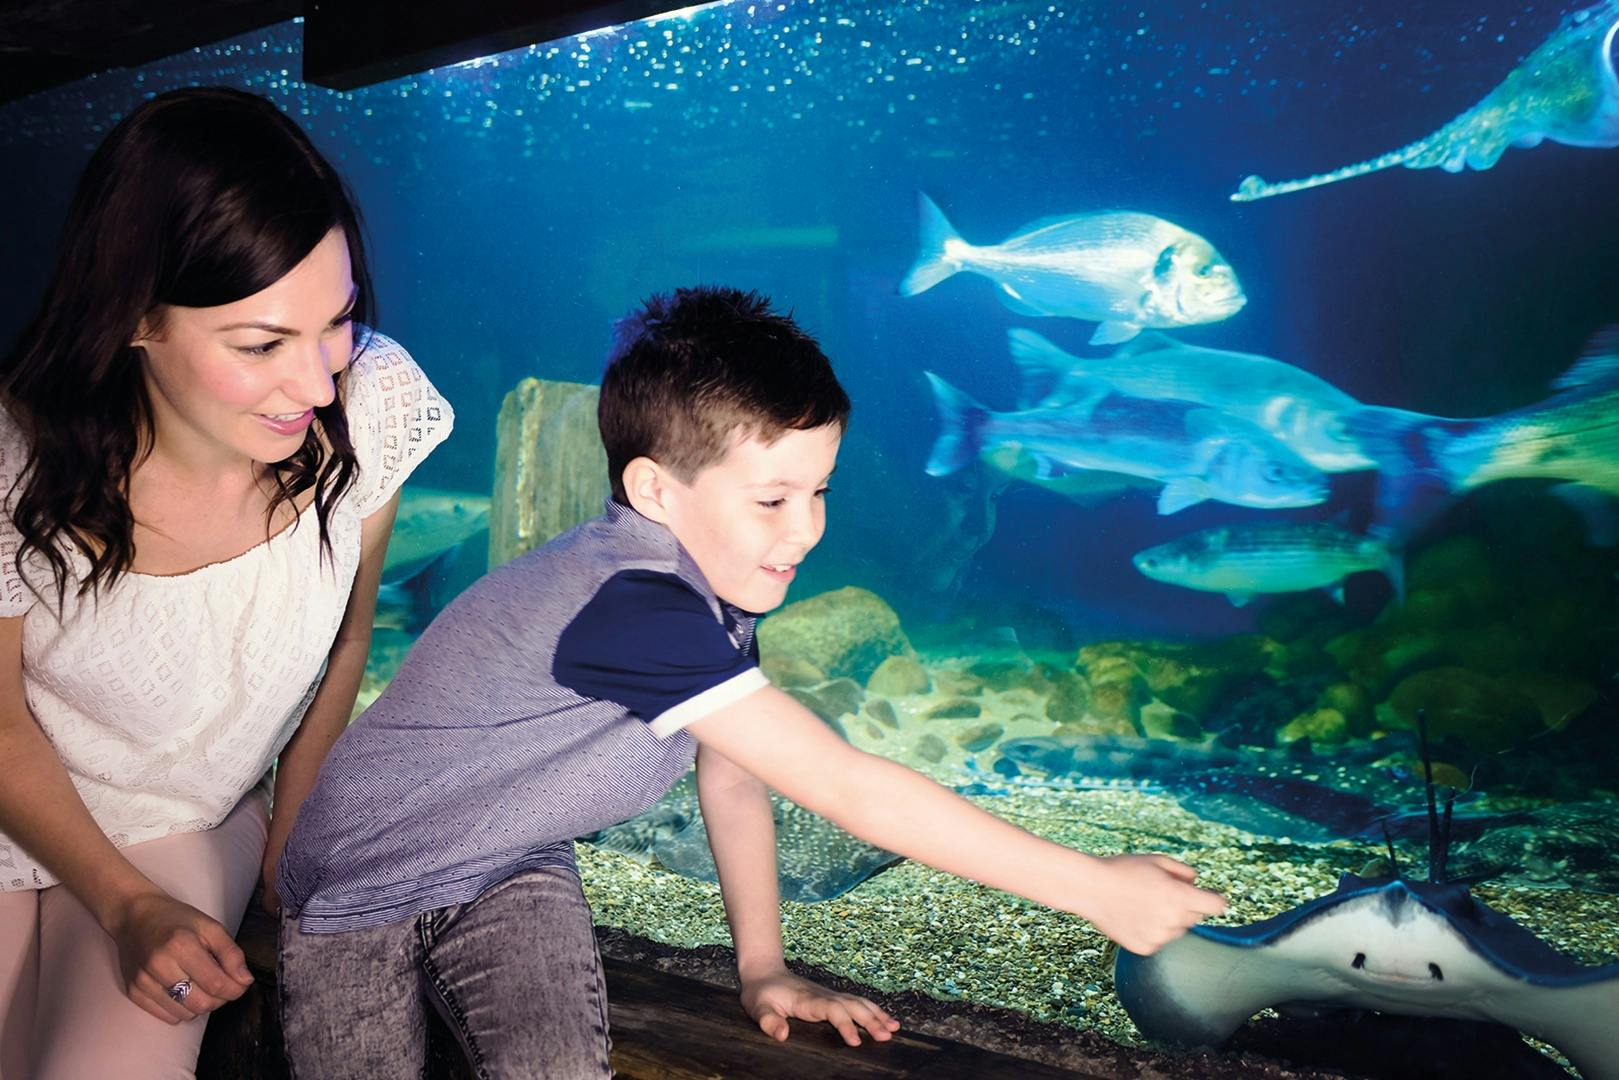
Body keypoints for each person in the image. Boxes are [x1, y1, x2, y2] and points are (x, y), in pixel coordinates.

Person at [276, 285, 1225, 1078]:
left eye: (818, 490)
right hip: (360, 883)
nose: (805, 529)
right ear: (655, 491)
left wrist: (762, 967)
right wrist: (1093, 887)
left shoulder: (706, 591)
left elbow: (732, 771)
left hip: (513, 858)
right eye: (771, 499)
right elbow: (848, 786)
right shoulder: (631, 605)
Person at [0, 87, 453, 1078]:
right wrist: (118, 906)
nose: (321, 384)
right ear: (132, 320)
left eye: (336, 321)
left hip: (180, 822)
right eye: (261, 345)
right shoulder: (12, 458)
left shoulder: (373, 405)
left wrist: (296, 837)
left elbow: (345, 642)